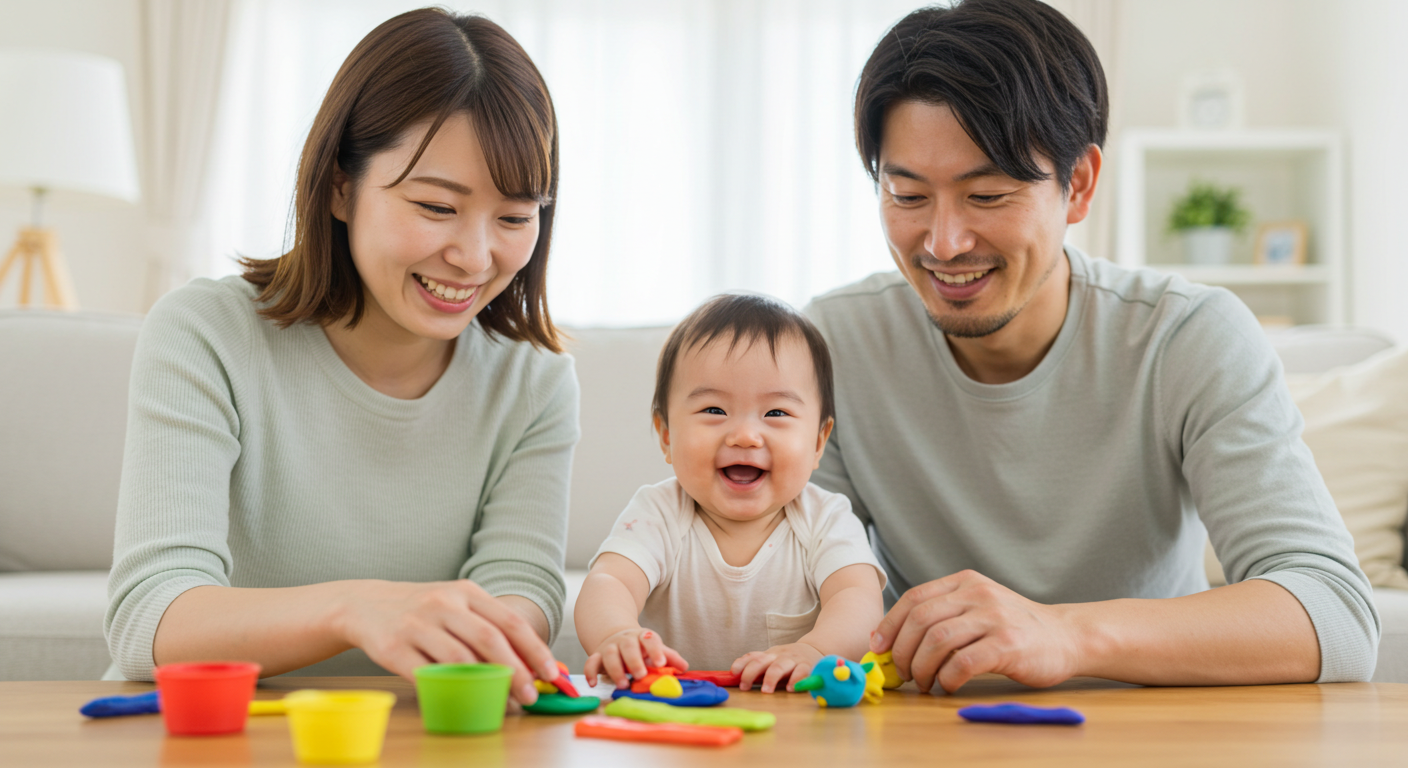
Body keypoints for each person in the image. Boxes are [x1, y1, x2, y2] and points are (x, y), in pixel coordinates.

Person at [805, 0, 1379, 694]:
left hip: (1147, 727)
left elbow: (1338, 618)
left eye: (986, 195)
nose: (944, 242)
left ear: (1078, 184)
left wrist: (1065, 633)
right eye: (907, 194)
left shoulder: (1187, 337)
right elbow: (784, 585)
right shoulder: (833, 347)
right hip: (925, 730)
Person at [105, 9, 574, 706]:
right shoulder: (206, 333)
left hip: (428, 737)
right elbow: (153, 617)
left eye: (513, 217)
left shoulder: (532, 378)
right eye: (437, 207)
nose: (476, 257)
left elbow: (520, 596)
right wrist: (355, 610)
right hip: (218, 737)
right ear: (339, 187)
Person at [574, 294, 886, 693]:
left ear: (819, 442)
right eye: (714, 411)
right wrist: (615, 634)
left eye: (776, 413)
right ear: (667, 435)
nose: (743, 435)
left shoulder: (826, 518)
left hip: (793, 710)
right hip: (674, 713)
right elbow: (610, 582)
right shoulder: (659, 513)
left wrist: (814, 650)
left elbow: (856, 598)